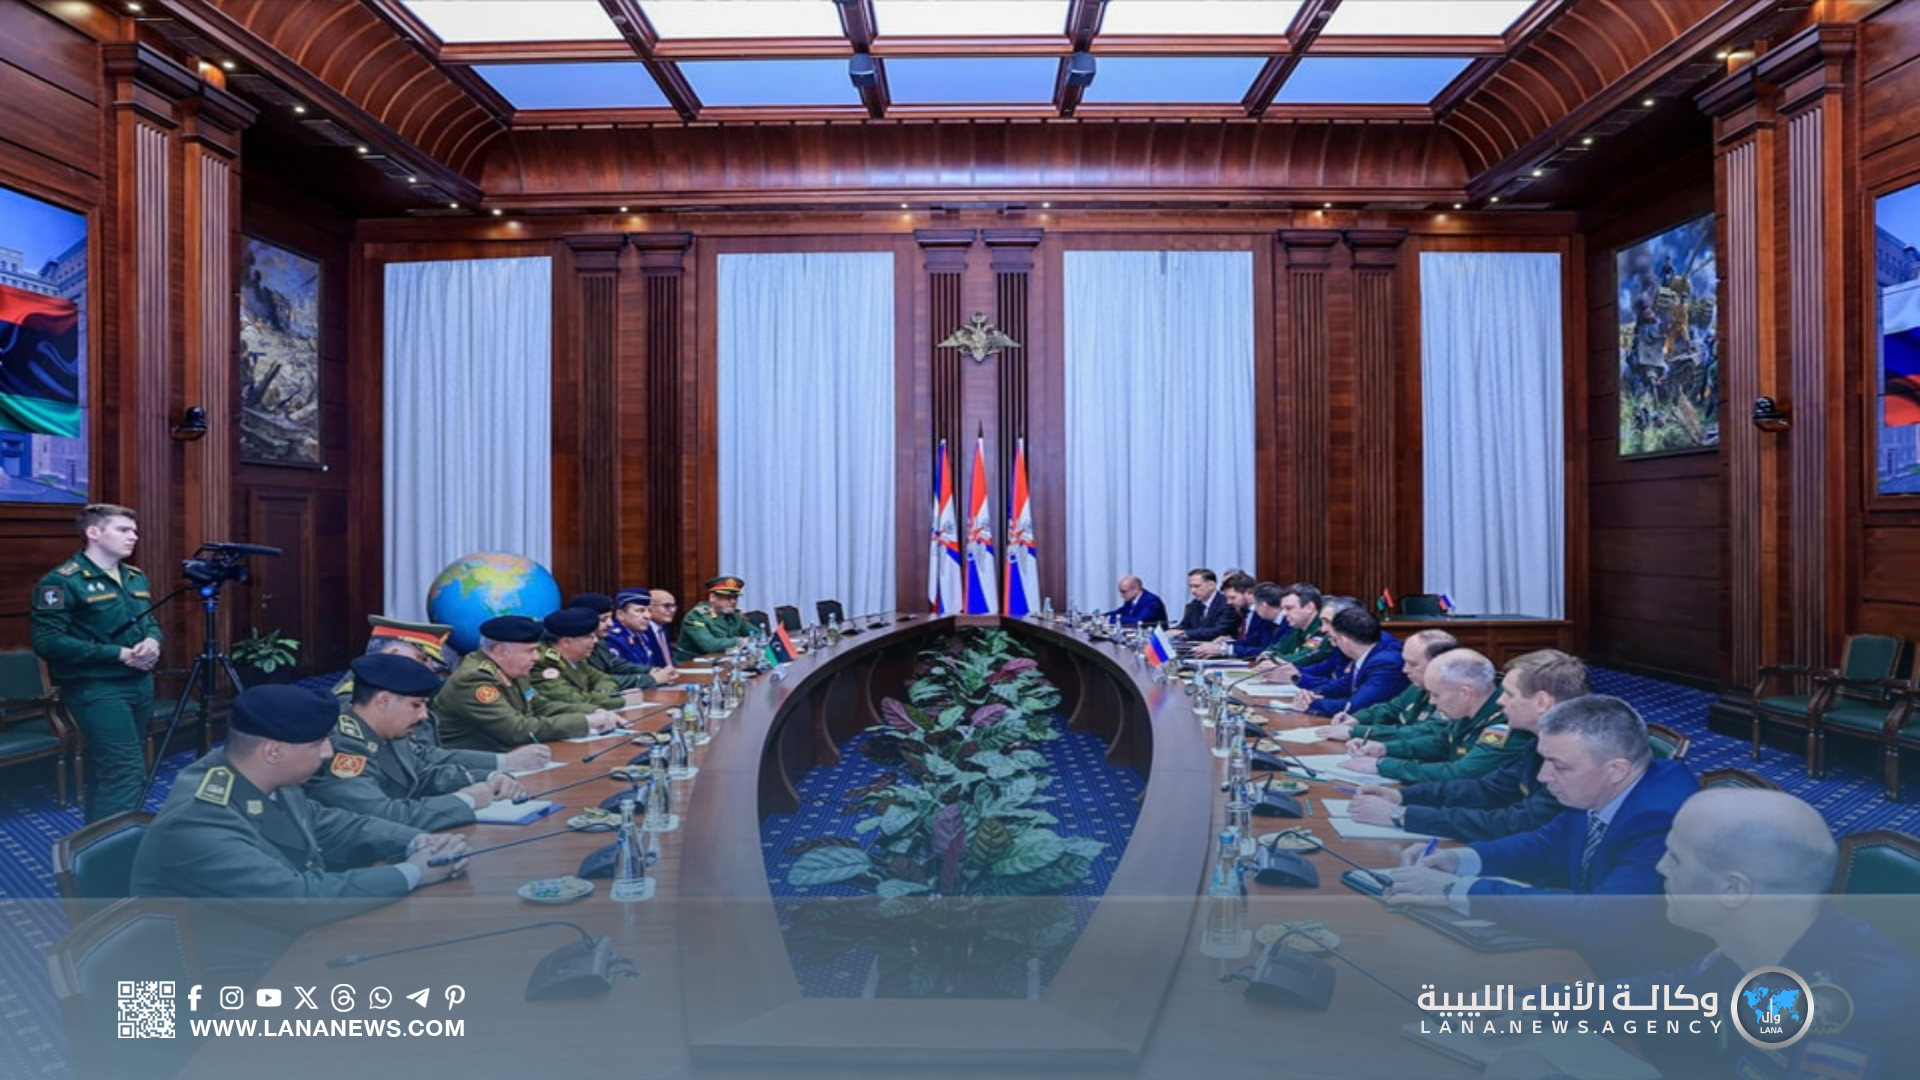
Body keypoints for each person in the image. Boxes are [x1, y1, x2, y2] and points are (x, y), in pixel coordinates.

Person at [1488, 790, 1920, 1079]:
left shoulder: (1857, 1013)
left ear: (1733, 889)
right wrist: (1540, 1004)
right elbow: (1679, 993)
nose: (1660, 868)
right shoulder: (1768, 943)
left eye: (1676, 858)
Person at [130, 685, 469, 965]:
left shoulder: (259, 775)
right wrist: (413, 873)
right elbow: (297, 899)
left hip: (285, 938)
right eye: (318, 743)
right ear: (273, 752)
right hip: (231, 972)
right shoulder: (199, 819)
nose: (328, 752)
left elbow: (332, 825)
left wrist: (417, 841)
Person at [1384, 695, 1698, 977]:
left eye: (1559, 766)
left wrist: (1456, 889)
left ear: (1616, 770)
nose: (1543, 776)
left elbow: (1603, 919)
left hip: (1638, 981)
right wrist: (1459, 859)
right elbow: (1547, 843)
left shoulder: (1663, 819)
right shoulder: (1599, 787)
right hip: (1587, 950)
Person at [1350, 649, 1586, 841]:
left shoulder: (1576, 755)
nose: (1501, 701)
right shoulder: (1537, 742)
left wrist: (1403, 815)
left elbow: (1516, 822)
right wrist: (1402, 797)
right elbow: (1486, 789)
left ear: (1542, 702)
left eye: (1510, 694)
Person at [30, 503, 162, 821]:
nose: (134, 536)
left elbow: (150, 622)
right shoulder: (62, 581)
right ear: (94, 532)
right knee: (126, 771)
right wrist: (116, 653)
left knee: (114, 770)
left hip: (139, 683)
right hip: (96, 688)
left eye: (134, 530)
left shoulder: (135, 577)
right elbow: (48, 642)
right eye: (123, 529)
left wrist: (153, 641)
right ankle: (116, 847)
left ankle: (93, 841)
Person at [305, 653, 528, 830]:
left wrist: (486, 778)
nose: (423, 715)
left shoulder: (390, 731)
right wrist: (464, 801)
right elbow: (383, 815)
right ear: (383, 700)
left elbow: (419, 775)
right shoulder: (343, 747)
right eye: (416, 705)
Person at [434, 615, 627, 750]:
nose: (537, 657)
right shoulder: (474, 679)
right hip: (480, 764)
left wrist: (592, 711)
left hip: (515, 754)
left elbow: (539, 706)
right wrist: (585, 722)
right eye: (530, 650)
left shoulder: (511, 669)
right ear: (501, 651)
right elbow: (516, 730)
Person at [1342, 648, 1523, 783]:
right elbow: (1441, 742)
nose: (1432, 702)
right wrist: (1384, 749)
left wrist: (1384, 766)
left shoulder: (1507, 720)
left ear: (1465, 693)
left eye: (1436, 695)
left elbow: (1461, 774)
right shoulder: (1468, 708)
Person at [1311, 629, 1458, 741]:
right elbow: (1392, 708)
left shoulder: (1454, 693)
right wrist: (1358, 719)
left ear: (1438, 664)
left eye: (1413, 664)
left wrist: (1357, 732)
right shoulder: (1418, 686)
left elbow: (1422, 732)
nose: (1405, 670)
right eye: (1405, 662)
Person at [1291, 607, 1408, 717]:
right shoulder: (1367, 655)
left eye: (1335, 638)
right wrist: (1313, 693)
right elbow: (1344, 685)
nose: (1323, 630)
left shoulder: (1386, 664)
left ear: (1344, 641)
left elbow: (1355, 707)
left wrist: (1312, 703)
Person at [531, 607, 637, 712]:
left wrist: (603, 693)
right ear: (566, 642)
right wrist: (620, 700)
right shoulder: (543, 663)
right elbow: (574, 700)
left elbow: (605, 679)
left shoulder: (577, 659)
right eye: (589, 636)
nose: (595, 641)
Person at [567, 592, 659, 690]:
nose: (610, 624)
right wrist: (650, 679)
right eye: (603, 619)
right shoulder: (575, 646)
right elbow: (595, 681)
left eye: (610, 618)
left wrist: (652, 671)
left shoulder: (601, 642)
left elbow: (615, 664)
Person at [605, 587, 678, 682]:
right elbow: (618, 676)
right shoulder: (613, 638)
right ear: (620, 615)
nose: (647, 616)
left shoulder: (642, 636)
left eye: (649, 611)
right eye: (640, 611)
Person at [676, 575, 754, 661]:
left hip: (723, 660)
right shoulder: (696, 616)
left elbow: (757, 633)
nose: (733, 601)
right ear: (712, 597)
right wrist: (740, 641)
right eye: (727, 598)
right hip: (692, 663)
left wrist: (751, 639)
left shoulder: (734, 616)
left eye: (735, 597)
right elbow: (709, 645)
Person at [1188, 572, 1258, 658]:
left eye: (1233, 598)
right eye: (1227, 598)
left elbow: (1263, 648)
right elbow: (1246, 642)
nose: (1228, 602)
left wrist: (1224, 649)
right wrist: (1228, 641)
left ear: (1250, 593)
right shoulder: (1244, 612)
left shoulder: (1261, 615)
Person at [1169, 568, 1236, 641]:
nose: (1192, 591)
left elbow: (1218, 631)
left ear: (1211, 585)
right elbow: (1184, 626)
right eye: (1190, 586)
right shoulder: (1195, 603)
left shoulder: (1226, 603)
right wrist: (1169, 632)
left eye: (1197, 586)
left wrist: (1185, 633)